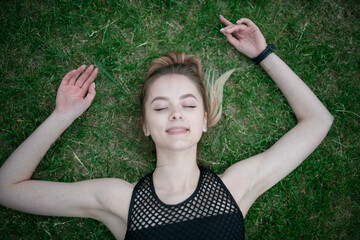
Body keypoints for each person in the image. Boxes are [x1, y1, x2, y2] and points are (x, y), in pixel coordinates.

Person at [0, 16, 333, 240]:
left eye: (189, 105)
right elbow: (7, 189)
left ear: (204, 120)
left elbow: (319, 121)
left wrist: (264, 54)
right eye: (161, 107)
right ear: (145, 125)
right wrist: (62, 115)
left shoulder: (237, 188)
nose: (176, 114)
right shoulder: (118, 200)